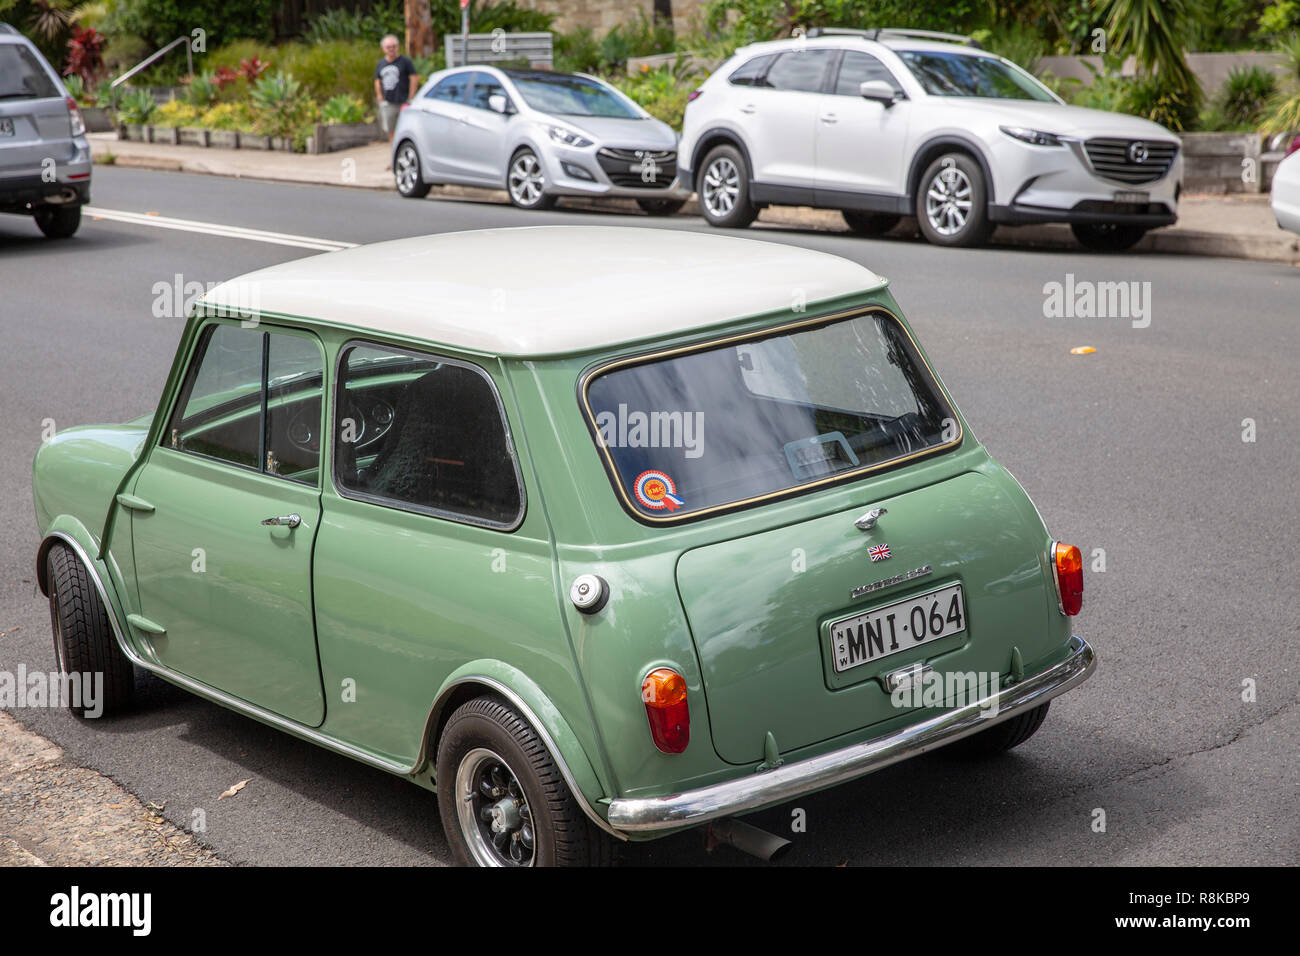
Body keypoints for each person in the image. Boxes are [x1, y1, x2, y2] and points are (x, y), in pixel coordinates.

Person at [374, 35, 418, 144]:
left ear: (397, 47)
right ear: (383, 49)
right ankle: (394, 151)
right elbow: (377, 80)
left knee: (407, 127)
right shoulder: (381, 63)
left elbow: (413, 78)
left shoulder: (405, 61)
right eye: (388, 47)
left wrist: (411, 96)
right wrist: (380, 97)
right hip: (389, 101)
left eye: (393, 46)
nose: (391, 49)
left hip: (404, 100)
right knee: (391, 128)